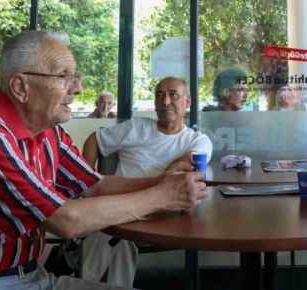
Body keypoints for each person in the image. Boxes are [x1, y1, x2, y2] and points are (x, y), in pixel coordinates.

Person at [0, 31, 206, 290]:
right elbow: (65, 220)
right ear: (21, 87)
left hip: (29, 276)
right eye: (64, 77)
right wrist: (161, 196)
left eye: (76, 77)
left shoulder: (47, 133)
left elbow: (95, 186)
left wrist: (163, 183)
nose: (78, 88)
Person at [81, 77, 212, 288]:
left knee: (111, 234)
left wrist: (167, 179)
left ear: (187, 103)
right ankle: (87, 282)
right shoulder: (136, 127)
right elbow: (94, 140)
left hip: (164, 214)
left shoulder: (197, 140)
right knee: (115, 236)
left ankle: (83, 281)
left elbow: (184, 165)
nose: (165, 101)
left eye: (173, 95)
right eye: (159, 95)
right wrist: (83, 182)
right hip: (118, 206)